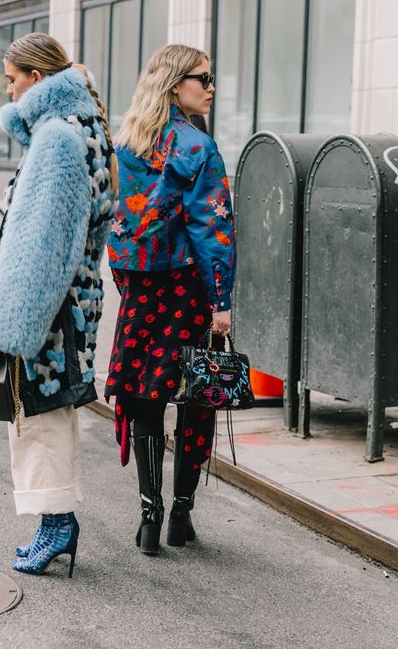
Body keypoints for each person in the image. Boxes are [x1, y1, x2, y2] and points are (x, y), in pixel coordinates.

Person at [0, 34, 117, 577]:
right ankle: (50, 523)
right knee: (41, 411)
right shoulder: (77, 129)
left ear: (36, 80)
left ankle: (57, 523)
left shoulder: (57, 139)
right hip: (66, 304)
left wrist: (17, 322)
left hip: (47, 309)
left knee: (40, 415)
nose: (8, 90)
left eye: (12, 79)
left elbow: (43, 242)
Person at [106, 44, 236, 555]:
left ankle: (148, 517)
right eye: (203, 78)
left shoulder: (128, 145)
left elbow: (120, 227)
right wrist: (221, 299)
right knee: (197, 394)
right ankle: (181, 515)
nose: (210, 87)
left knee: (144, 395)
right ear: (175, 83)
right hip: (187, 289)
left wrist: (129, 284)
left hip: (140, 288)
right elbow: (213, 229)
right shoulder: (197, 146)